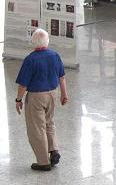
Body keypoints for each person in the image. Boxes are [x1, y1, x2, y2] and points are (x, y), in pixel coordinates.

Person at [14, 28, 69, 171]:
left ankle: (43, 162)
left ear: (33, 42)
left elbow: (23, 84)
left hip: (36, 97)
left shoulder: (30, 59)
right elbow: (62, 77)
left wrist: (18, 99)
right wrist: (64, 94)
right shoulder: (55, 55)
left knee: (37, 129)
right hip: (52, 94)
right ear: (47, 41)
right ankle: (54, 150)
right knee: (49, 123)